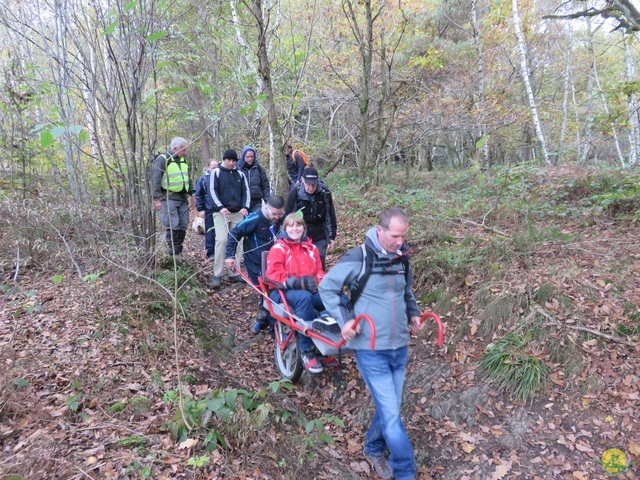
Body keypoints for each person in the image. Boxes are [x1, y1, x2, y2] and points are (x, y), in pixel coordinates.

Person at [318, 207, 425, 480]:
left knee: (391, 406)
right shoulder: (358, 257)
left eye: (403, 236)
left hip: (399, 346)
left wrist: (413, 314)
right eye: (394, 235)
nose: (399, 241)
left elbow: (407, 292)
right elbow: (327, 288)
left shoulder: (403, 258)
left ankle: (373, 447)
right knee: (391, 415)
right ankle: (405, 473)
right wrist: (344, 320)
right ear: (380, 230)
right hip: (370, 349)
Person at [264, 213, 326, 374]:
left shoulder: (311, 248)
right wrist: (295, 282)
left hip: (308, 289)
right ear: (285, 228)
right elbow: (273, 274)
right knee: (304, 299)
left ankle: (328, 339)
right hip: (284, 291)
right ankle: (306, 350)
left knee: (332, 299)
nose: (295, 229)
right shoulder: (279, 248)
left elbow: (319, 271)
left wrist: (327, 284)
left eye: (298, 225)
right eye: (291, 226)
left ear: (303, 228)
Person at [224, 195, 285, 333]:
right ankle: (265, 321)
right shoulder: (255, 218)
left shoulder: (281, 217)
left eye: (280, 214)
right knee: (266, 291)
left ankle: (268, 319)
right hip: (256, 262)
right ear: (266, 209)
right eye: (274, 214)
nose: (277, 217)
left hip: (276, 261)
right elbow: (235, 233)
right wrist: (230, 256)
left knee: (277, 290)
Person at [209, 149, 250, 288]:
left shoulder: (240, 174)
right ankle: (217, 274)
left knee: (239, 242)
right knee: (222, 240)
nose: (231, 163)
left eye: (234, 161)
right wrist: (220, 207)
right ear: (224, 159)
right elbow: (212, 191)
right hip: (221, 214)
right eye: (229, 160)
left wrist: (245, 207)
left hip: (238, 213)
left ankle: (234, 271)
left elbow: (246, 192)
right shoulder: (216, 172)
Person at [284, 166, 337, 269]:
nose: (311, 188)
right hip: (301, 234)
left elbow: (330, 215)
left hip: (320, 233)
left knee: (319, 262)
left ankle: (319, 284)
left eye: (313, 185)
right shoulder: (295, 193)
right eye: (308, 184)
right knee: (302, 264)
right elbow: (288, 216)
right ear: (303, 180)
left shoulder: (324, 193)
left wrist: (331, 237)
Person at [152, 137, 195, 259]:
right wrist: (156, 199)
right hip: (168, 198)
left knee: (183, 224)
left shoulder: (183, 161)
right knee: (173, 225)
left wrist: (193, 194)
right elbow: (155, 179)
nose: (185, 152)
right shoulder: (163, 159)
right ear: (175, 148)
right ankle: (173, 255)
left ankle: (178, 249)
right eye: (183, 150)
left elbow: (188, 178)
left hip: (182, 198)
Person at [195, 159, 219, 261]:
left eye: (217, 167)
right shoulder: (202, 179)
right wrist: (201, 209)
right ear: (208, 168)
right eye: (213, 167)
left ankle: (221, 252)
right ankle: (210, 252)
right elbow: (198, 195)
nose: (215, 169)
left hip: (221, 210)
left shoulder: (221, 178)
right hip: (209, 210)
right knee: (210, 231)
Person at [237, 146, 270, 212]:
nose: (250, 159)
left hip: (256, 202)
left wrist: (268, 202)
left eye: (252, 156)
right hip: (241, 203)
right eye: (248, 156)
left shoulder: (259, 169)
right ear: (243, 156)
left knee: (256, 220)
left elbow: (265, 186)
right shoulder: (238, 169)